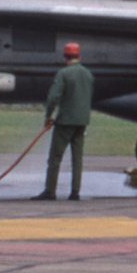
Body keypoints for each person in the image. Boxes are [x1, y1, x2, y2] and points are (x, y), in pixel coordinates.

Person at [32, 43, 94, 202]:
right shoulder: (88, 75)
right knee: (77, 158)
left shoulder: (64, 73)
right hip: (82, 121)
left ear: (65, 57)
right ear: (79, 56)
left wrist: (48, 115)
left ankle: (50, 191)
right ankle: (75, 192)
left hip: (65, 121)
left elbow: (53, 97)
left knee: (55, 157)